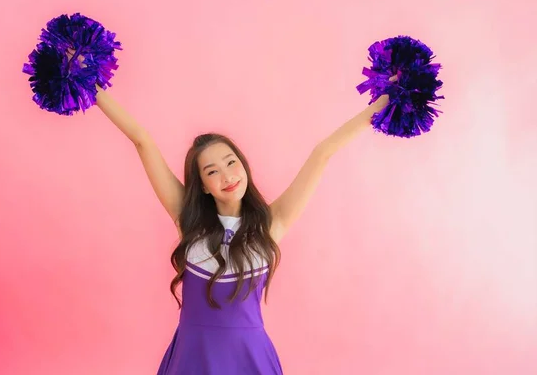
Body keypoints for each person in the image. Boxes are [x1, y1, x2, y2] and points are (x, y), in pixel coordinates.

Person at [93, 83, 390, 374]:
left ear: (243, 165)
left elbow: (322, 152)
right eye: (212, 171)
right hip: (193, 355)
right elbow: (142, 140)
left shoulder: (272, 223)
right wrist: (84, 82)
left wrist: (387, 100)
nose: (227, 176)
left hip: (250, 356)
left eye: (231, 162)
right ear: (204, 186)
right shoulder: (189, 220)